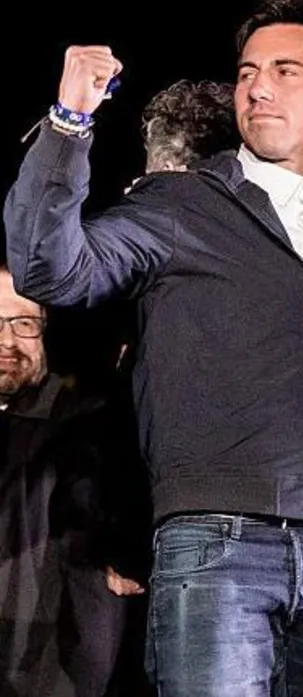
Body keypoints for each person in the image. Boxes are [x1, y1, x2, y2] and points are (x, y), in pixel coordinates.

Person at [3, 0, 303, 697]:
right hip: (213, 547)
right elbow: (51, 266)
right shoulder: (179, 208)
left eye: (286, 69)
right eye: (248, 71)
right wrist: (69, 122)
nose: (258, 86)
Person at [1, 264, 146, 697]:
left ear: (46, 331)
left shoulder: (89, 424)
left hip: (50, 675)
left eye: (23, 323)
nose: (7, 340)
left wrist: (129, 546)